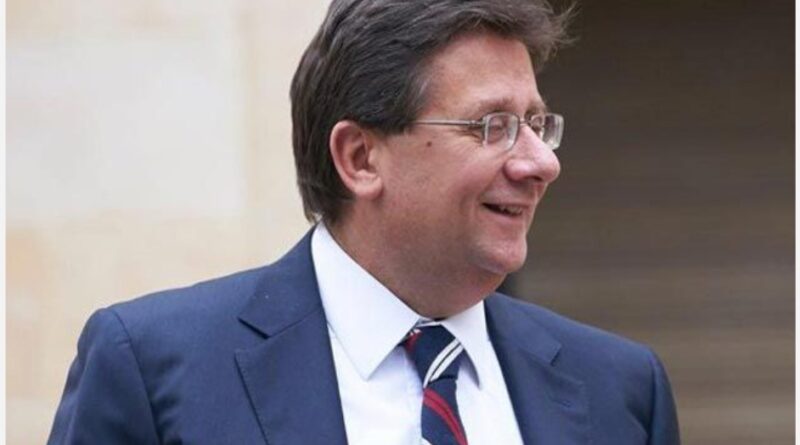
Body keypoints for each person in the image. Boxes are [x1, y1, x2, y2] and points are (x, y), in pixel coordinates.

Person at [48, 0, 680, 444]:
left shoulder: (621, 390)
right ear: (360, 158)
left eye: (538, 124)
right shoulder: (154, 369)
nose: (541, 163)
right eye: (493, 126)